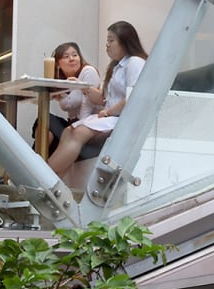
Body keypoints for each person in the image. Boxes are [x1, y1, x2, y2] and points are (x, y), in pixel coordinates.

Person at [47, 21, 148, 177]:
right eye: (107, 41)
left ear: (125, 40)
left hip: (123, 118)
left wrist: (108, 112)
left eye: (111, 40)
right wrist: (82, 86)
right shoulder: (115, 66)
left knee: (77, 133)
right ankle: (52, 180)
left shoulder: (135, 62)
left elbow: (133, 97)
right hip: (112, 116)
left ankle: (46, 181)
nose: (107, 45)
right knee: (68, 131)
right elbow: (103, 99)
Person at [32, 42, 103, 157]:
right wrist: (55, 92)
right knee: (44, 122)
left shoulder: (87, 72)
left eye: (75, 55)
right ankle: (35, 162)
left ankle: (32, 163)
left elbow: (87, 106)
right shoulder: (63, 81)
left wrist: (76, 129)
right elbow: (36, 100)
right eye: (66, 56)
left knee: (48, 120)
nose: (72, 59)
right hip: (73, 123)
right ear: (58, 64)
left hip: (86, 124)